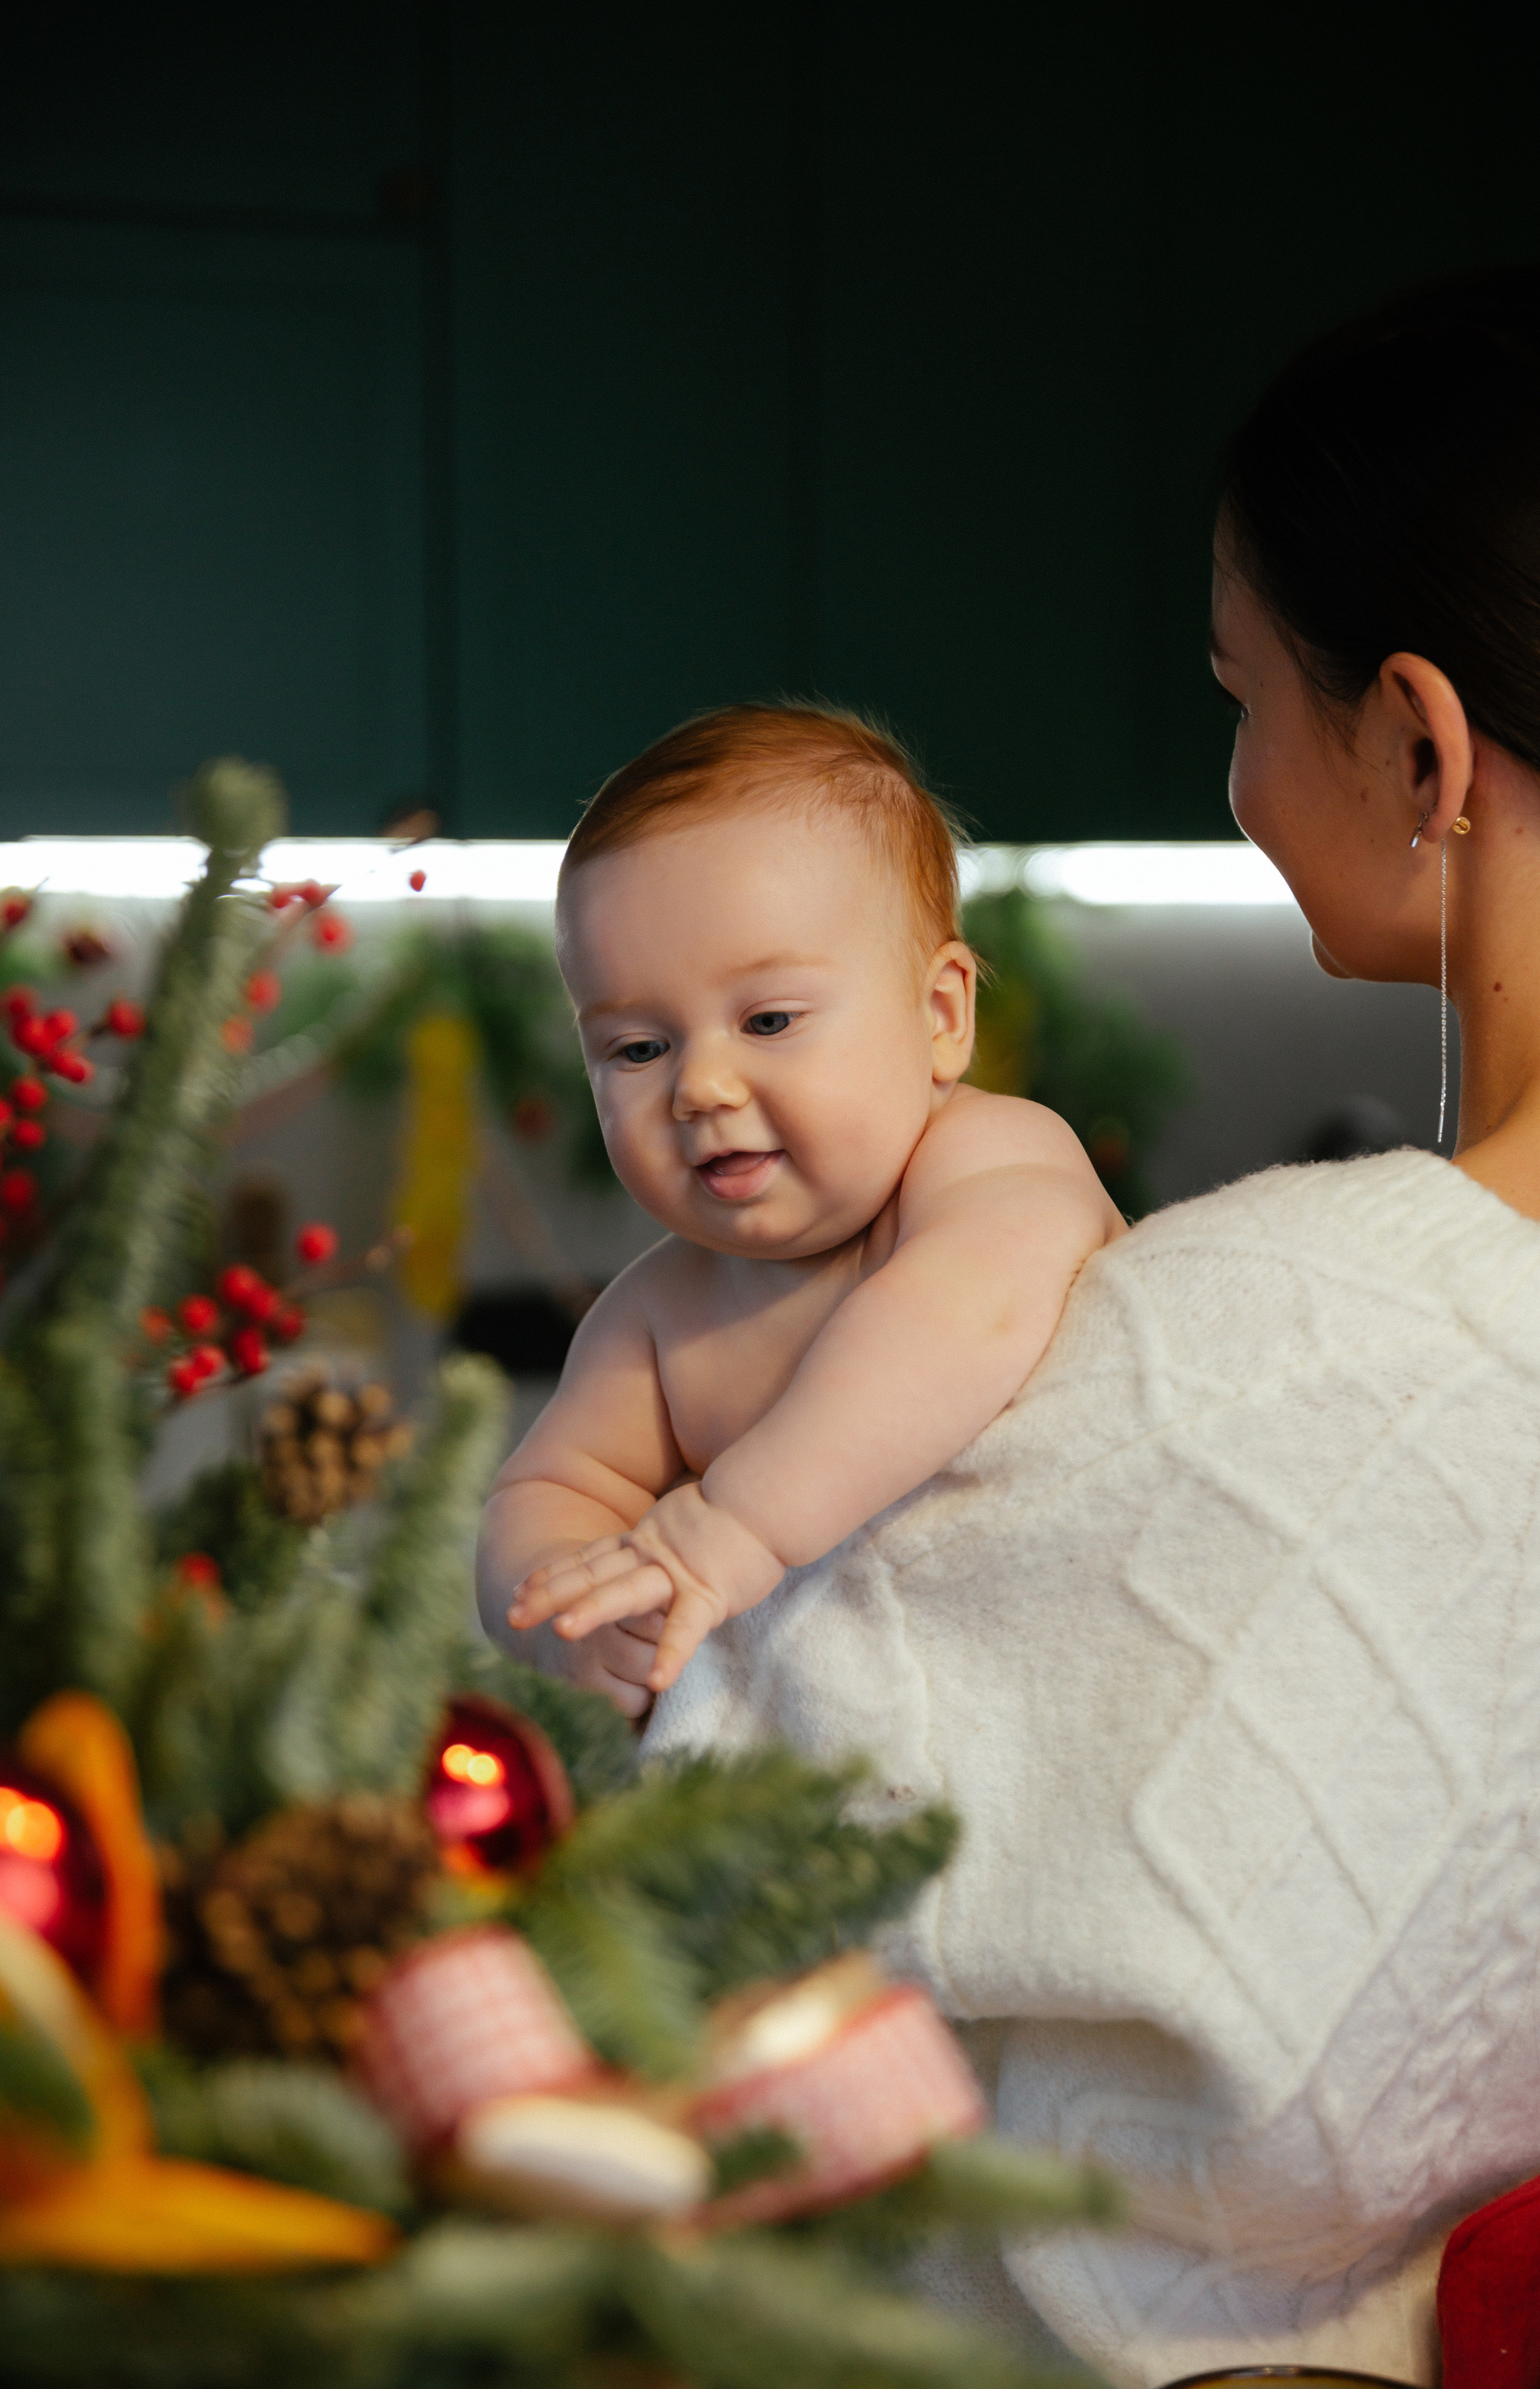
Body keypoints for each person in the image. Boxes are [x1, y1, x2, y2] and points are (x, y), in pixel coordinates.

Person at [500, 266, 1540, 2388]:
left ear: (1420, 742)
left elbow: (707, 1860)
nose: (1239, 776)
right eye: (636, 1043)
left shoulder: (1276, 1341)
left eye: (1244, 693)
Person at [481, 707, 1124, 1711]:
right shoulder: (656, 1319)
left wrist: (733, 1526)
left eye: (769, 1020)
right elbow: (542, 1494)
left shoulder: (989, 1159)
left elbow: (969, 1313)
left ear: (940, 1015)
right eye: (638, 1049)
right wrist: (573, 1621)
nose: (701, 1087)